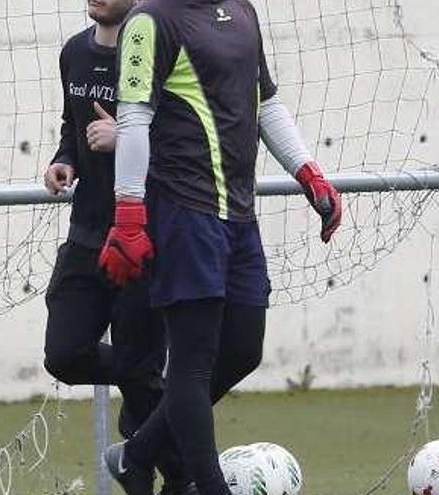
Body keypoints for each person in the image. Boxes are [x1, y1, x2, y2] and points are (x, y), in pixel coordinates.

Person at [96, 1, 343, 494]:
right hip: (184, 215)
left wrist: (309, 172)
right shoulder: (151, 21)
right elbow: (135, 118)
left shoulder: (243, 11)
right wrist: (128, 212)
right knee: (192, 364)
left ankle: (137, 454)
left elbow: (266, 102)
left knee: (243, 349)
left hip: (239, 217)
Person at [42, 1, 180, 492]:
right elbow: (71, 126)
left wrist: (123, 135)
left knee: (140, 379)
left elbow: (179, 138)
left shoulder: (155, 52)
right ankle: (176, 436)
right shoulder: (74, 53)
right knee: (65, 354)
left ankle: (167, 476)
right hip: (85, 237)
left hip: (140, 237)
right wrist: (65, 160)